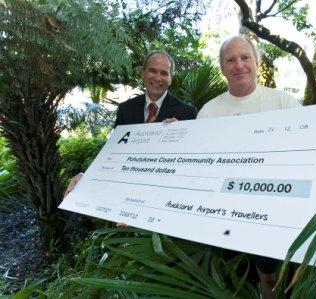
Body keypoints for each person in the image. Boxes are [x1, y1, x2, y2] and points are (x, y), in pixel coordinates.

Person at [197, 36, 301, 299]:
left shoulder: (284, 103)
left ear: (257, 62)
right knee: (231, 276)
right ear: (222, 67)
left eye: (245, 57)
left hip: (273, 208)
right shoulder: (209, 112)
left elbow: (309, 151)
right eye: (230, 60)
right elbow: (197, 163)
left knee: (271, 276)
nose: (238, 65)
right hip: (222, 211)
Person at [65, 50, 197, 195]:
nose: (158, 77)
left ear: (170, 78)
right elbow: (113, 151)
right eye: (152, 71)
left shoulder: (187, 113)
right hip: (126, 193)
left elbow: (191, 163)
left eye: (164, 73)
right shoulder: (126, 109)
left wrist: (181, 135)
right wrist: (86, 176)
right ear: (143, 73)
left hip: (163, 194)